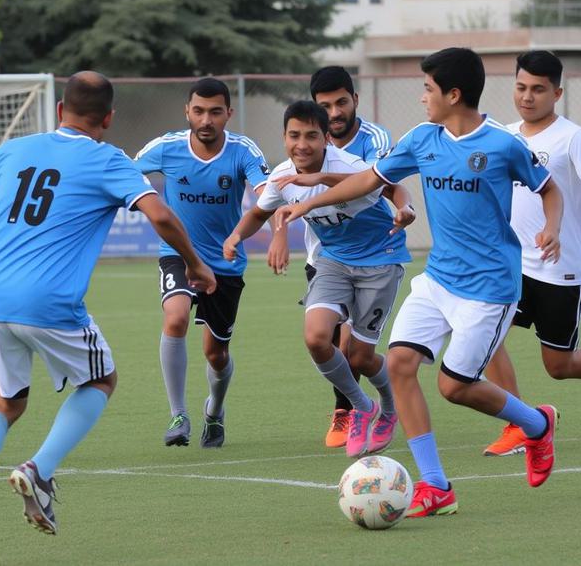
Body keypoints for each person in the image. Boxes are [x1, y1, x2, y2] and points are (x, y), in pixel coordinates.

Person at [0, 71, 215, 562]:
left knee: (5, 400)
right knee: (101, 380)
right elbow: (161, 216)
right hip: (48, 299)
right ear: (108, 118)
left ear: (60, 110)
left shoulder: (14, 150)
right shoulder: (108, 158)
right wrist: (195, 264)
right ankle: (38, 470)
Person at [274, 48, 563, 517]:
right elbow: (369, 179)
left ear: (453, 94)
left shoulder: (502, 144)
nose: (421, 96)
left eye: (428, 88)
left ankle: (536, 423)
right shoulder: (422, 138)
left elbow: (548, 187)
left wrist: (551, 226)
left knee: (454, 386)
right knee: (402, 365)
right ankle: (435, 484)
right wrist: (306, 204)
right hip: (438, 280)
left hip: (489, 289)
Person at [223, 101, 415, 457]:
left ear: (327, 138)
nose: (302, 144)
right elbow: (258, 212)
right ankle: (362, 407)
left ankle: (389, 407)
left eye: (312, 135)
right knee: (316, 338)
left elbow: (392, 187)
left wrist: (406, 210)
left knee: (359, 357)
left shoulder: (349, 165)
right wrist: (235, 237)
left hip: (380, 261)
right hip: (334, 262)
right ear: (283, 138)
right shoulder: (283, 176)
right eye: (294, 135)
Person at [482, 51, 581, 457]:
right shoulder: (504, 134)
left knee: (559, 365)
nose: (527, 97)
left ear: (557, 92)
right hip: (511, 267)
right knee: (486, 336)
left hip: (560, 270)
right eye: (520, 87)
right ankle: (520, 423)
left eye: (537, 89)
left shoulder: (573, 137)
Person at [269, 66, 412, 449]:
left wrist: (319, 182)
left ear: (355, 100)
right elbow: (271, 203)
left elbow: (377, 183)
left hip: (375, 253)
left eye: (341, 103)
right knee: (321, 338)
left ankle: (370, 408)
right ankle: (354, 407)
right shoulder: (297, 155)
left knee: (356, 352)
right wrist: (277, 233)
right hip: (326, 252)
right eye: (325, 106)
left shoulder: (375, 140)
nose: (334, 112)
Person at [134, 77, 270, 449]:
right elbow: (126, 173)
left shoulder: (243, 150)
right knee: (175, 318)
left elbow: (266, 192)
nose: (206, 120)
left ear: (229, 112)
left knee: (216, 352)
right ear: (187, 112)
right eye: (198, 111)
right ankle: (178, 415)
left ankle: (215, 410)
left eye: (214, 112)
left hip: (225, 264)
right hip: (177, 254)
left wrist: (275, 216)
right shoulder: (166, 148)